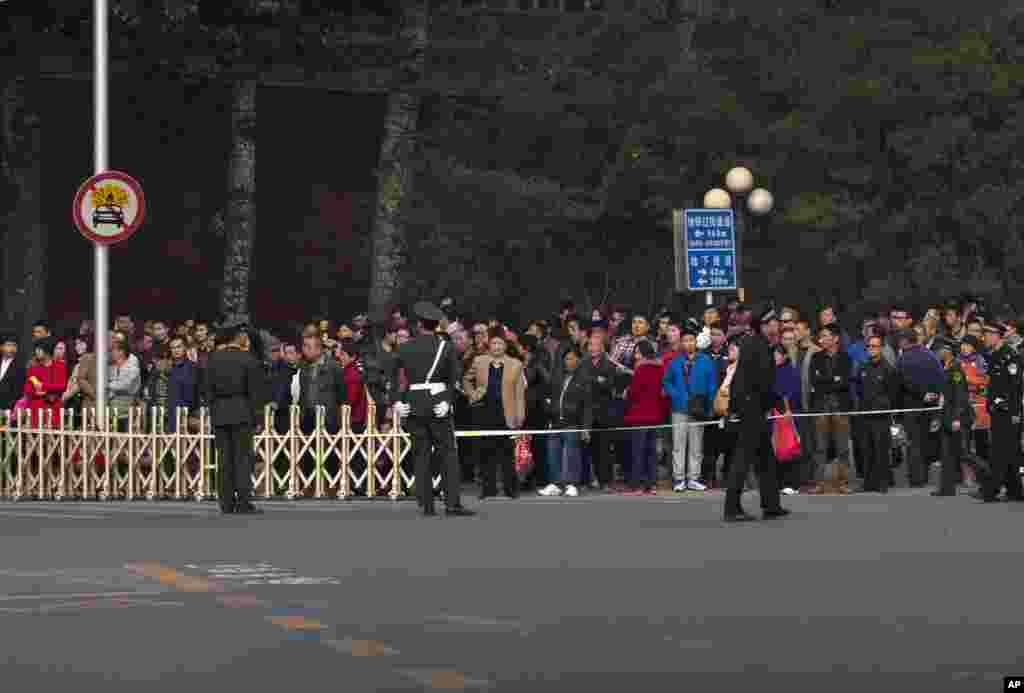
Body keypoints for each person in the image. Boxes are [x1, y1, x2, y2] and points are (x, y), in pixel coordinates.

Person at [393, 302, 474, 517]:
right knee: (447, 455)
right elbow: (455, 378)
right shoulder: (445, 347)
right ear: (435, 325)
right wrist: (448, 400)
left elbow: (397, 379)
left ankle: (426, 504)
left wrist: (397, 402)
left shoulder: (404, 347)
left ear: (418, 324)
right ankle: (452, 504)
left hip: (414, 405)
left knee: (421, 456)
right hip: (438, 404)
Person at [723, 304, 789, 522]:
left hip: (755, 407)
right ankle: (732, 508)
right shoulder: (757, 346)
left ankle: (771, 505)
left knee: (765, 459)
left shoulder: (758, 344)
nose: (777, 326)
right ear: (763, 326)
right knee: (742, 460)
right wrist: (778, 401)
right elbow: (760, 382)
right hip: (751, 408)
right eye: (773, 323)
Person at [202, 318, 266, 515]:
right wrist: (258, 418)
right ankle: (244, 502)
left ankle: (226, 502)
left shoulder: (213, 359)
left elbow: (206, 391)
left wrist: (214, 409)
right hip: (242, 410)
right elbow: (255, 393)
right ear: (238, 337)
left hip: (220, 412)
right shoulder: (249, 360)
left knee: (224, 459)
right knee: (242, 459)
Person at [464, 330, 526, 499]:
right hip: (484, 411)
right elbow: (466, 379)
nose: (497, 347)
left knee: (507, 454)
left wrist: (520, 415)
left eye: (500, 343)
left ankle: (510, 489)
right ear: (489, 346)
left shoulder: (515, 364)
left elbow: (519, 393)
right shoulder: (479, 361)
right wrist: (473, 394)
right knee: (485, 453)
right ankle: (488, 490)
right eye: (494, 343)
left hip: (507, 413)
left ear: (505, 346)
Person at [979, 322, 1022, 502]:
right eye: (985, 333)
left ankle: (991, 489)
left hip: (1008, 411)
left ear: (999, 336)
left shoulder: (1010, 356)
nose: (986, 337)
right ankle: (1015, 489)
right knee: (1010, 451)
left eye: (990, 334)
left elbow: (1015, 386)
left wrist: (1013, 411)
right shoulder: (994, 355)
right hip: (997, 409)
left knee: (999, 450)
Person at [931, 338, 974, 497]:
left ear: (947, 351)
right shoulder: (945, 367)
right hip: (946, 416)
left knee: (964, 454)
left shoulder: (955, 369)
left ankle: (988, 477)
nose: (936, 353)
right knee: (946, 454)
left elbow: (960, 395)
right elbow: (946, 394)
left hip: (957, 417)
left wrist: (957, 418)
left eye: (939, 350)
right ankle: (946, 488)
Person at [857, 334, 900, 493]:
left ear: (881, 348)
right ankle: (869, 483)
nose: (871, 349)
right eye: (869, 346)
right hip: (865, 414)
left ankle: (883, 482)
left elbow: (893, 393)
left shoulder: (888, 369)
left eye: (875, 346)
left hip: (881, 416)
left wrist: (887, 407)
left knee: (881, 450)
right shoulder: (863, 367)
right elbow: (859, 390)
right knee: (867, 449)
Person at [0, 328, 25, 412]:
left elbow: (18, 392)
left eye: (14, 345)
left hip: (9, 409)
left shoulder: (20, 366)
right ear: (1, 347)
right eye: (8, 345)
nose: (11, 348)